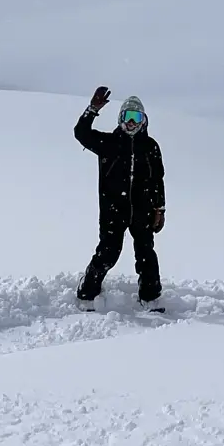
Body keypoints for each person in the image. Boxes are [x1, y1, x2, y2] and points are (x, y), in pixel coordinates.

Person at [73, 85, 167, 309]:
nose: (132, 122)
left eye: (137, 117)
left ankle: (150, 296)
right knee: (108, 252)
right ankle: (87, 291)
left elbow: (158, 180)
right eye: (128, 116)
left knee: (146, 253)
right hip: (113, 210)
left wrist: (159, 209)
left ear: (144, 120)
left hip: (142, 210)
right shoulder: (108, 144)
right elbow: (81, 133)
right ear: (120, 119)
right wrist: (92, 109)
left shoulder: (151, 146)